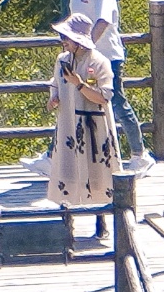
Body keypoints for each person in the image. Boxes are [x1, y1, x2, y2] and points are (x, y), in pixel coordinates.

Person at [61, 0, 135, 145]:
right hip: (85, 55)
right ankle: (56, 153)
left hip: (105, 55)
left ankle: (140, 153)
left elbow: (104, 20)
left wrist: (87, 46)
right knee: (75, 97)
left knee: (117, 102)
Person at [44, 33, 117, 239]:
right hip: (68, 124)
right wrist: (54, 98)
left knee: (97, 172)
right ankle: (67, 220)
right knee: (66, 168)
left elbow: (104, 96)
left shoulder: (100, 62)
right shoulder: (62, 60)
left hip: (94, 125)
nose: (63, 41)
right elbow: (56, 83)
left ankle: (100, 218)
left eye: (66, 37)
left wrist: (79, 84)